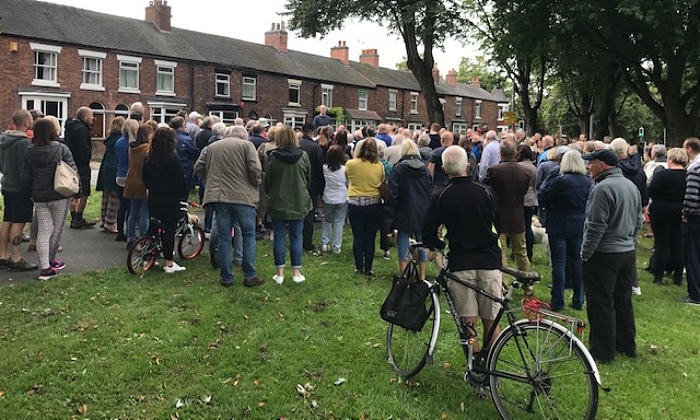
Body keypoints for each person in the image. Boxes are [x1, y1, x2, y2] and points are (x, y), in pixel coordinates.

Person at [423, 145, 502, 354]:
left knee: (468, 323)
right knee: (491, 322)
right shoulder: (486, 191)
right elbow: (499, 223)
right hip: (489, 261)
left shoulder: (441, 197)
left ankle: (474, 365)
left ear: (443, 168)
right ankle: (490, 368)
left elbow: (428, 232)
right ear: (467, 166)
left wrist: (440, 245)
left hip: (461, 263)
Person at [581, 148, 642, 363]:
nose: (588, 167)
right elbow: (638, 221)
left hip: (604, 253)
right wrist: (630, 243)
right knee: (623, 300)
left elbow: (596, 225)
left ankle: (602, 351)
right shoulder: (631, 186)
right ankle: (626, 345)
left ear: (603, 165)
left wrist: (586, 253)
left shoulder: (602, 189)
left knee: (600, 302)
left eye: (592, 163)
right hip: (626, 251)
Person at [195, 125, 265, 287]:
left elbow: (198, 167)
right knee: (248, 235)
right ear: (243, 136)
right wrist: (256, 183)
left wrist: (210, 180)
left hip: (220, 197)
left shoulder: (211, 147)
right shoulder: (247, 146)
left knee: (224, 238)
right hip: (243, 197)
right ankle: (249, 275)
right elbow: (255, 169)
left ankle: (226, 277)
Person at [538, 150, 592, 312]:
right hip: (579, 223)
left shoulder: (561, 181)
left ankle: (558, 301)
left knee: (559, 263)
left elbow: (543, 196)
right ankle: (578, 299)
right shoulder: (587, 182)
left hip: (559, 222)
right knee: (577, 263)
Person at [22, 119, 76, 280]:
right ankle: (51, 261)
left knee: (44, 231)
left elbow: (25, 176)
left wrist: (28, 193)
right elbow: (72, 169)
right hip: (59, 194)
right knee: (56, 230)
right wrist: (77, 192)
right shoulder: (61, 148)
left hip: (39, 196)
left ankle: (45, 267)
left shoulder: (29, 150)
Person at [265, 126, 312, 284]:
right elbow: (308, 177)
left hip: (278, 200)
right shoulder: (304, 156)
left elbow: (268, 180)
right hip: (299, 200)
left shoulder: (273, 157)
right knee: (296, 236)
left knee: (279, 235)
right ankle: (296, 273)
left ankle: (280, 274)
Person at [483, 138, 532, 287]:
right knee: (521, 253)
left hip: (499, 216)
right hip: (518, 214)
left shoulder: (494, 171)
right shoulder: (525, 171)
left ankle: (503, 286)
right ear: (515, 152)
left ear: (500, 153)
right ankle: (528, 285)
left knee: (501, 251)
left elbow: (485, 189)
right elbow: (524, 192)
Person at [142, 127, 188, 273]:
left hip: (154, 197)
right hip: (170, 198)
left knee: (153, 226)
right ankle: (169, 263)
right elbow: (180, 180)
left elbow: (144, 178)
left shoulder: (149, 156)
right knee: (169, 229)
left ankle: (147, 257)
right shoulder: (172, 157)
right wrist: (182, 193)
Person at [385, 140, 431, 280]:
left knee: (403, 241)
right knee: (422, 242)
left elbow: (393, 192)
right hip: (422, 209)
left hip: (403, 208)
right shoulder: (425, 169)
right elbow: (429, 190)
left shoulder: (398, 169)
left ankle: (403, 274)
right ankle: (422, 275)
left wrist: (389, 212)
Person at [0, 110, 38, 271]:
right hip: (19, 188)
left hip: (7, 184)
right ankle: (16, 257)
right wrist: (28, 189)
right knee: (18, 222)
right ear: (27, 123)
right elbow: (25, 169)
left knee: (7, 219)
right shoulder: (23, 143)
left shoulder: (3, 139)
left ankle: (2, 255)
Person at [345, 137, 384, 276]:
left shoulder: (350, 164)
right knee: (370, 238)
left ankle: (358, 266)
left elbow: (347, 179)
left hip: (355, 202)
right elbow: (381, 182)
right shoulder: (379, 166)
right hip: (373, 203)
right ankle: (368, 267)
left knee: (358, 236)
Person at [649, 147, 687, 285]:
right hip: (680, 209)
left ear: (670, 159)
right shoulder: (688, 175)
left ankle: (658, 275)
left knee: (661, 243)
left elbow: (652, 191)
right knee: (677, 243)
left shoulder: (663, 175)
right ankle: (678, 276)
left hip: (661, 210)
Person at [64, 106, 95, 229]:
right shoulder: (83, 129)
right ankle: (79, 217)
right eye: (91, 116)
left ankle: (73, 217)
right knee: (84, 192)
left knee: (72, 190)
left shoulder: (70, 127)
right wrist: (87, 157)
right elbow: (83, 148)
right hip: (81, 165)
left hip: (70, 163)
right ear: (86, 117)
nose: (92, 119)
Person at [123, 124, 153, 248]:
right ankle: (143, 238)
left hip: (131, 180)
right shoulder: (148, 148)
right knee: (145, 212)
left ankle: (130, 238)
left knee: (133, 211)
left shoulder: (132, 148)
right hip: (143, 182)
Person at [299, 122, 325, 253]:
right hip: (311, 185)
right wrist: (321, 187)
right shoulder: (315, 147)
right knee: (308, 214)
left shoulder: (296, 144)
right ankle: (307, 242)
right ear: (312, 131)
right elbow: (320, 168)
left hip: (297, 183)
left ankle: (296, 239)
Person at [95, 117, 124, 234]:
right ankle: (110, 222)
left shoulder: (109, 140)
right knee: (114, 197)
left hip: (106, 167)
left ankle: (104, 219)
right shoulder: (120, 140)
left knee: (106, 195)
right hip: (115, 167)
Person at [321, 145, 348, 254]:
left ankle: (325, 242)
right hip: (342, 197)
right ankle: (336, 246)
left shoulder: (324, 168)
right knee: (339, 222)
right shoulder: (345, 169)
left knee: (327, 220)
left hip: (328, 197)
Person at [114, 119, 139, 239]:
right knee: (131, 208)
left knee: (121, 207)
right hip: (130, 177)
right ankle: (130, 232)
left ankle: (119, 232)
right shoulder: (135, 143)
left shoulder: (118, 142)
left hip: (119, 176)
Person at [516, 144, 538, 262]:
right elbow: (535, 185)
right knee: (528, 226)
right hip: (530, 199)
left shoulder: (518, 167)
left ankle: (519, 252)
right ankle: (529, 252)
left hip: (519, 199)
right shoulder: (533, 167)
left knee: (519, 229)